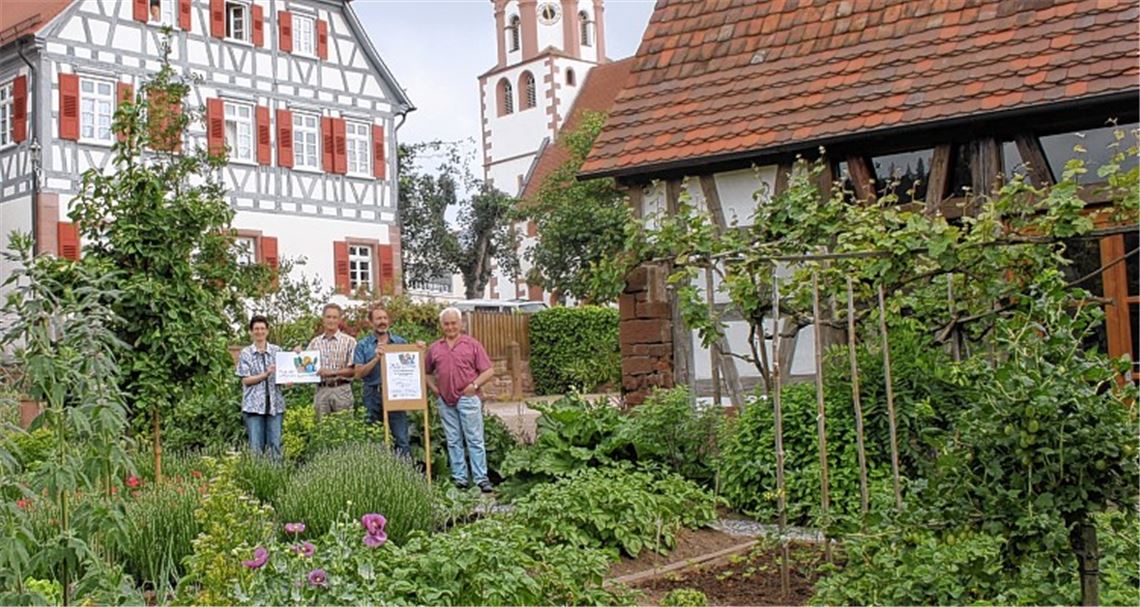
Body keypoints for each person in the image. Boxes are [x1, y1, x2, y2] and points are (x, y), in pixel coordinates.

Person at [425, 307, 495, 492]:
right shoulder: (435, 348)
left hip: (467, 398)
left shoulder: (472, 345)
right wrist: (435, 390)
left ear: (461, 323)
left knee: (474, 439)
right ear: (441, 325)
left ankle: (481, 478)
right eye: (446, 324)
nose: (450, 327)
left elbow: (488, 370)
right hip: (445, 400)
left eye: (453, 323)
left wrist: (475, 386)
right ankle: (460, 479)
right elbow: (426, 373)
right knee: (453, 440)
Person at [353, 304, 411, 457]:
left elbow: (413, 366)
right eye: (378, 318)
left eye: (385, 318)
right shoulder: (363, 345)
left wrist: (419, 349)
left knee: (401, 439)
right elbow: (358, 373)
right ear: (371, 322)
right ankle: (379, 475)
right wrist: (376, 358)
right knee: (374, 438)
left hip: (396, 395)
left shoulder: (400, 343)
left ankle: (405, 476)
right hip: (372, 395)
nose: (382, 321)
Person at [236, 315, 286, 458]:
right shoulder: (246, 353)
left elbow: (283, 375)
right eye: (256, 329)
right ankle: (257, 477)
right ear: (251, 332)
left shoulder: (277, 351)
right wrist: (265, 374)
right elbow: (246, 380)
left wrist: (289, 380)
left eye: (262, 328)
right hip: (253, 407)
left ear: (267, 331)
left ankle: (276, 477)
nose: (259, 332)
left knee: (275, 445)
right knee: (255, 448)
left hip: (275, 406)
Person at [305, 303, 357, 420]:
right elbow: (304, 367)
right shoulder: (315, 343)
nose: (331, 320)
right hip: (321, 390)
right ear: (323, 319)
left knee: (344, 430)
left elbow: (353, 370)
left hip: (342, 389)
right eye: (328, 317)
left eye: (334, 317)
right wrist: (297, 354)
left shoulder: (350, 342)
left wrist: (333, 373)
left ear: (339, 320)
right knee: (322, 430)